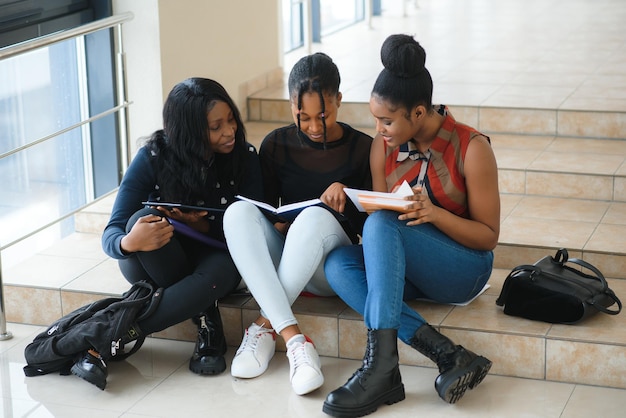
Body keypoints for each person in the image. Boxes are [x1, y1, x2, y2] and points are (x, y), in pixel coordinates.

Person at [322, 34, 500, 417]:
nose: (379, 128)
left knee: (384, 225)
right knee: (338, 265)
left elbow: (488, 237)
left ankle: (380, 368)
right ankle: (446, 353)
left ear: (418, 113)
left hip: (462, 268)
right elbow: (380, 224)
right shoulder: (381, 147)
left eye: (386, 120)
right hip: (408, 267)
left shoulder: (471, 147)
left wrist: (435, 214)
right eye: (375, 119)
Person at [72, 78, 263, 390]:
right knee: (143, 219)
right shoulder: (153, 157)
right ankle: (206, 316)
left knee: (216, 272)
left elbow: (257, 226)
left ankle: (101, 339)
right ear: (188, 133)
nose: (229, 131)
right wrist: (128, 241)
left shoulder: (246, 158)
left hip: (218, 259)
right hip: (157, 257)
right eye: (215, 127)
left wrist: (203, 226)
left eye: (230, 120)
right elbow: (112, 232)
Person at [223, 52, 372, 395]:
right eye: (302, 116)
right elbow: (267, 211)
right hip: (289, 257)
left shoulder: (362, 148)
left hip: (329, 269)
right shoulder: (275, 144)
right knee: (238, 213)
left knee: (315, 215)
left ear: (338, 99)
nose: (314, 127)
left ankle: (263, 325)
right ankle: (295, 343)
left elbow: (372, 226)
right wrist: (277, 227)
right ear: (290, 103)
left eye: (323, 115)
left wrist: (349, 194)